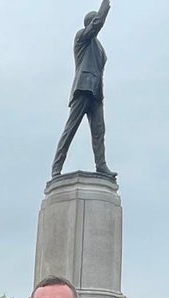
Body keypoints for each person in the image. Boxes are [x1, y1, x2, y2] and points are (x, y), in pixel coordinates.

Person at [51, 0, 116, 179]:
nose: (98, 23)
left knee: (99, 131)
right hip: (83, 88)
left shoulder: (99, 48)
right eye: (95, 21)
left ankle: (101, 165)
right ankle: (56, 167)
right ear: (90, 24)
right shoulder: (82, 37)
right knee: (70, 129)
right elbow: (99, 23)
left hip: (96, 92)